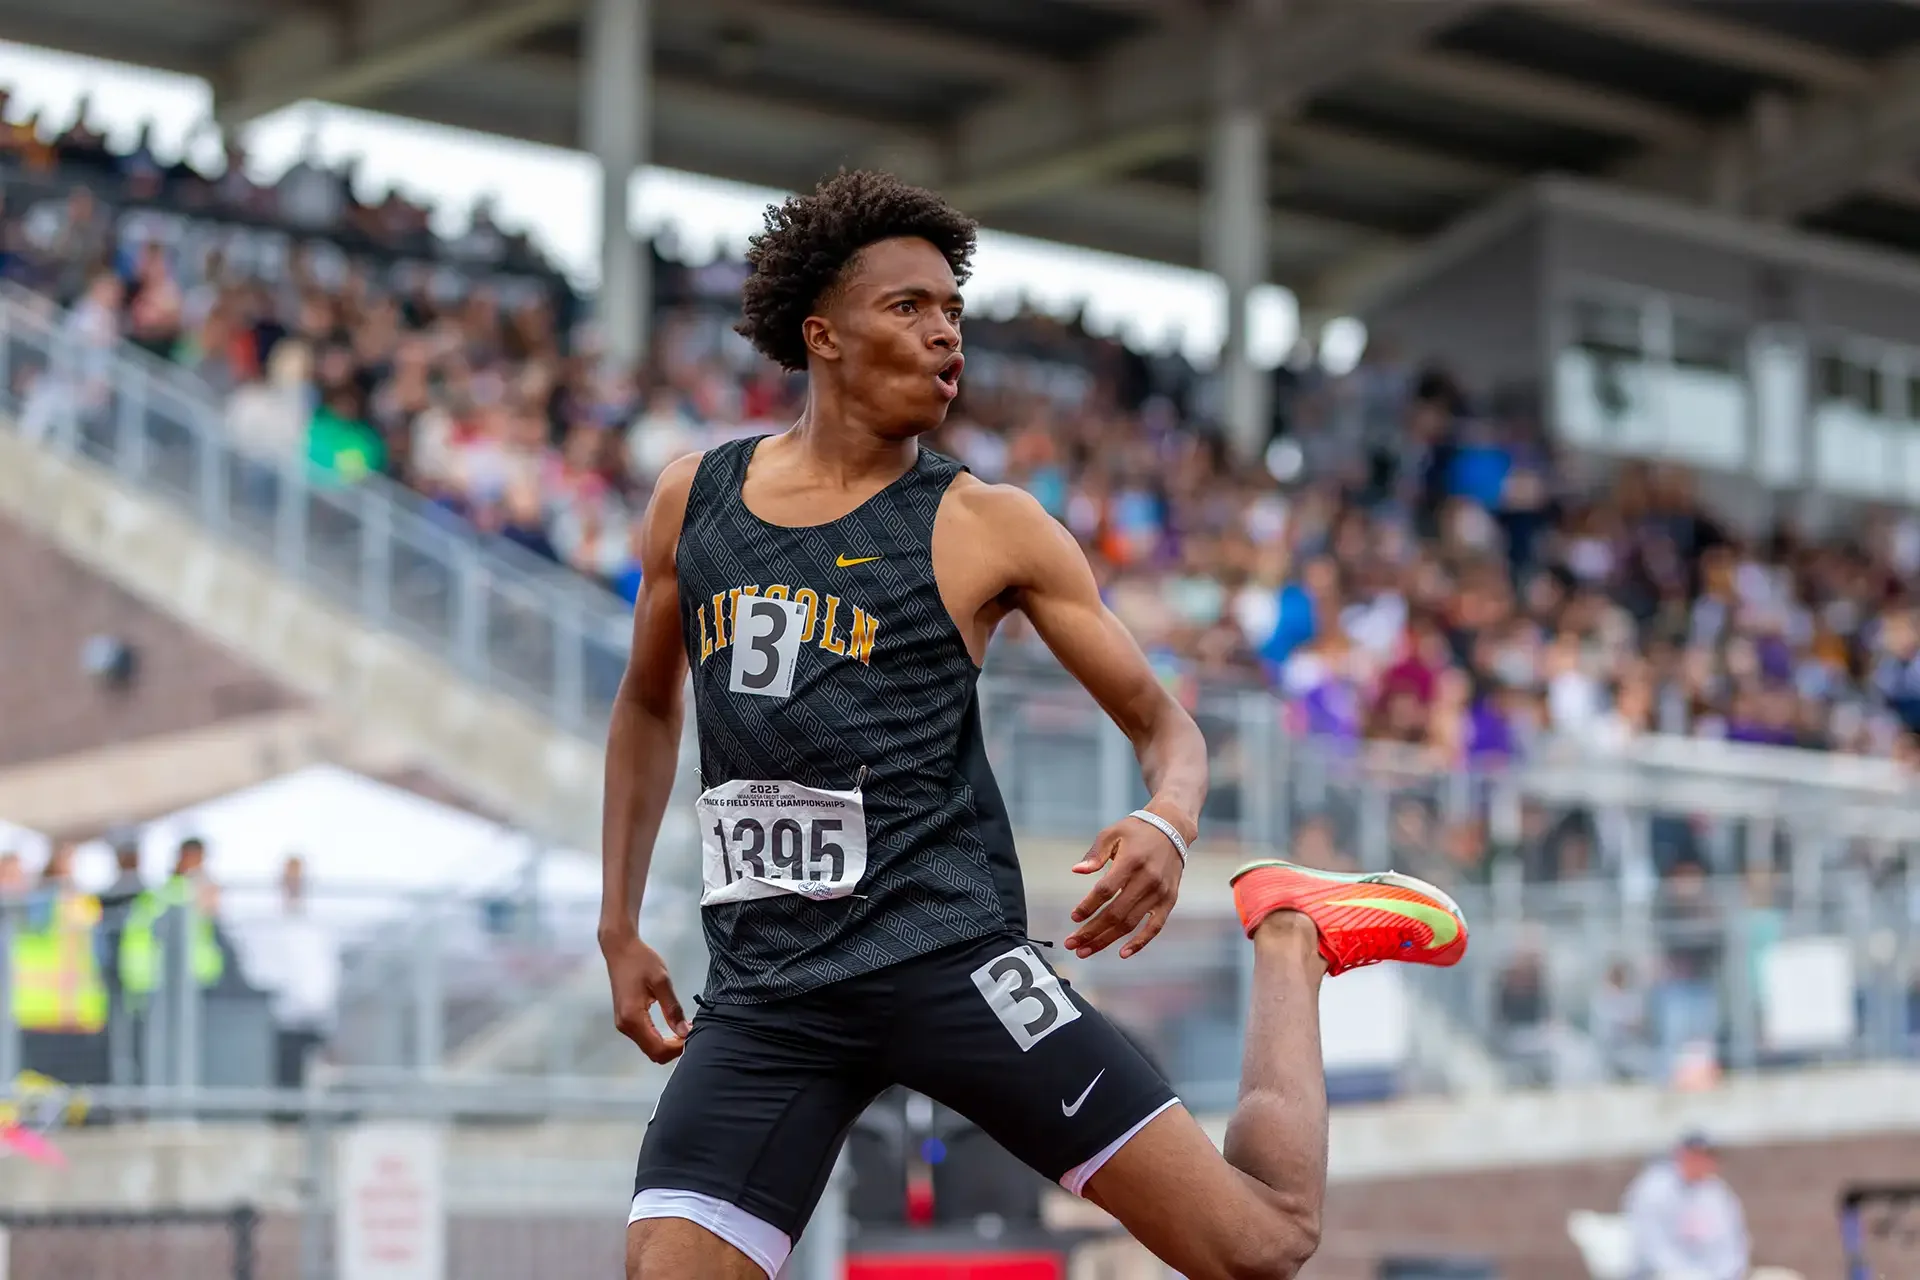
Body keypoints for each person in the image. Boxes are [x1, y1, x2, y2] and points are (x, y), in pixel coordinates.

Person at [599, 170, 1469, 1280]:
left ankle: (1291, 936)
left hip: (947, 961)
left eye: (952, 309)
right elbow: (645, 701)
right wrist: (619, 920)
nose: (944, 331)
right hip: (769, 992)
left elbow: (1169, 726)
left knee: (1258, 1245)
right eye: (908, 306)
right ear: (820, 333)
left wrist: (1169, 818)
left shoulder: (988, 526)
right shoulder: (695, 498)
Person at [1622, 1132, 1750, 1280]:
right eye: (1696, 1155)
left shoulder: (1717, 1193)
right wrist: (1689, 1275)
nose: (1702, 1162)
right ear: (1681, 1154)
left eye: (1708, 1156)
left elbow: (1734, 1244)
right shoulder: (1654, 1189)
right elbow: (1651, 1245)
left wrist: (1725, 1274)